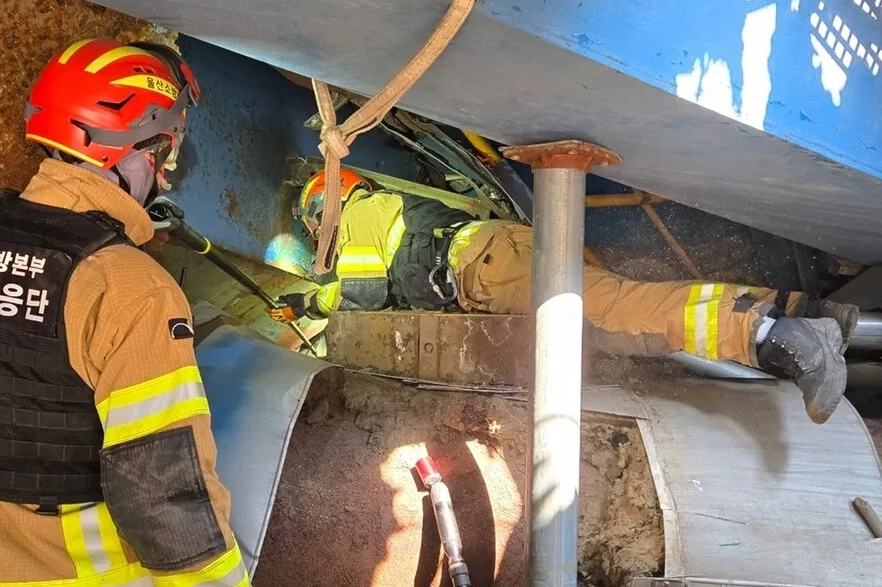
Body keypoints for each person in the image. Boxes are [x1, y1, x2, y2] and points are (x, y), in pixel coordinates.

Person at [0, 39, 249, 585]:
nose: (166, 173)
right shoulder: (131, 286)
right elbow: (163, 491)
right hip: (65, 572)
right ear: (138, 150)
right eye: (168, 151)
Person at [269, 169, 854, 424]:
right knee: (622, 302)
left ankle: (779, 338)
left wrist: (314, 315)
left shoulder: (363, 214)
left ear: (331, 202)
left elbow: (365, 299)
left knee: (615, 314)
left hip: (487, 269)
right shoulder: (382, 217)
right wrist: (309, 303)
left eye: (314, 220)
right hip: (492, 265)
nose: (318, 233)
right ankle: (812, 314)